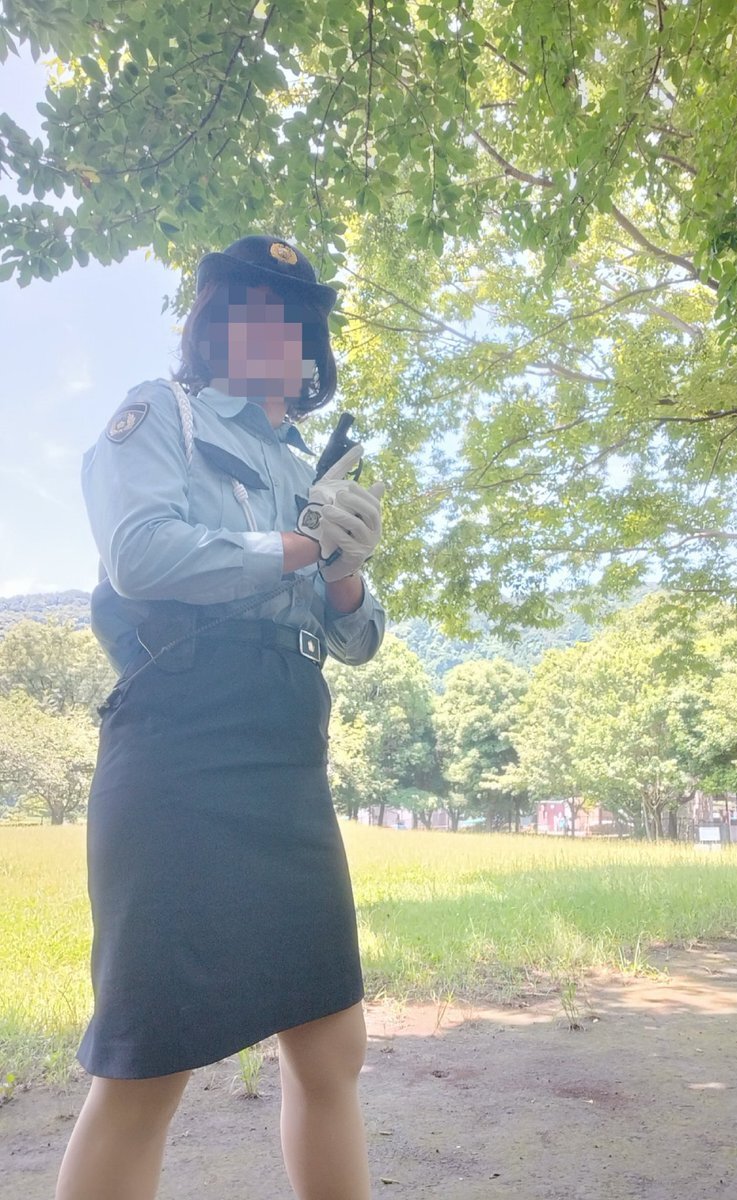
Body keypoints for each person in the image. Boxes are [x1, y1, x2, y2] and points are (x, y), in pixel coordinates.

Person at [56, 235, 386, 1200]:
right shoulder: (163, 412)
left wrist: (346, 568)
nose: (270, 327)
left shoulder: (307, 463)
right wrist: (298, 545)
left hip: (288, 748)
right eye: (246, 306)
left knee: (331, 1040)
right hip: (181, 741)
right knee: (146, 1061)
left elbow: (358, 639)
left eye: (290, 314)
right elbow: (140, 554)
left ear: (312, 343)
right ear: (209, 326)